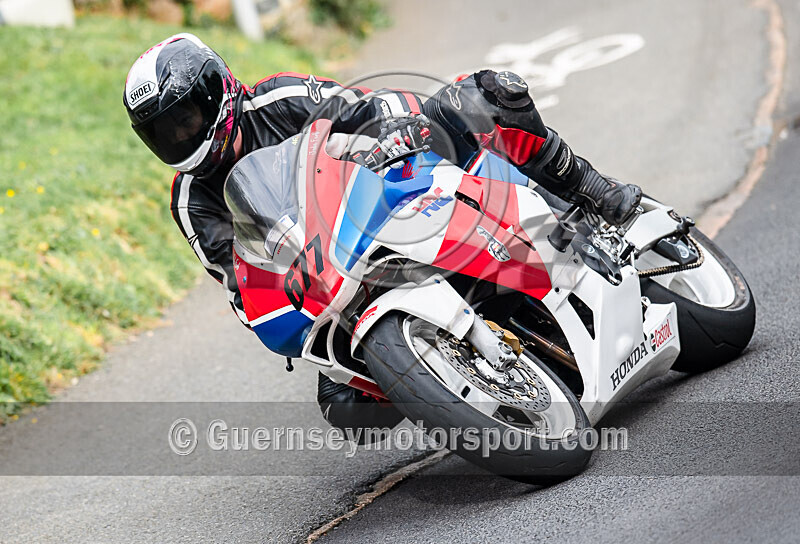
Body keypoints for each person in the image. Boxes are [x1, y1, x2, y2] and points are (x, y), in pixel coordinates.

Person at [123, 33, 641, 441]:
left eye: (186, 118)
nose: (182, 136)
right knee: (345, 409)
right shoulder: (191, 201)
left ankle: (589, 189)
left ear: (217, 89)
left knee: (484, 96)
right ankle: (451, 385)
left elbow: (369, 104)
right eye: (165, 132)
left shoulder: (277, 99)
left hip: (391, 195)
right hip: (334, 281)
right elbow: (238, 280)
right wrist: (276, 295)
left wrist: (393, 128)